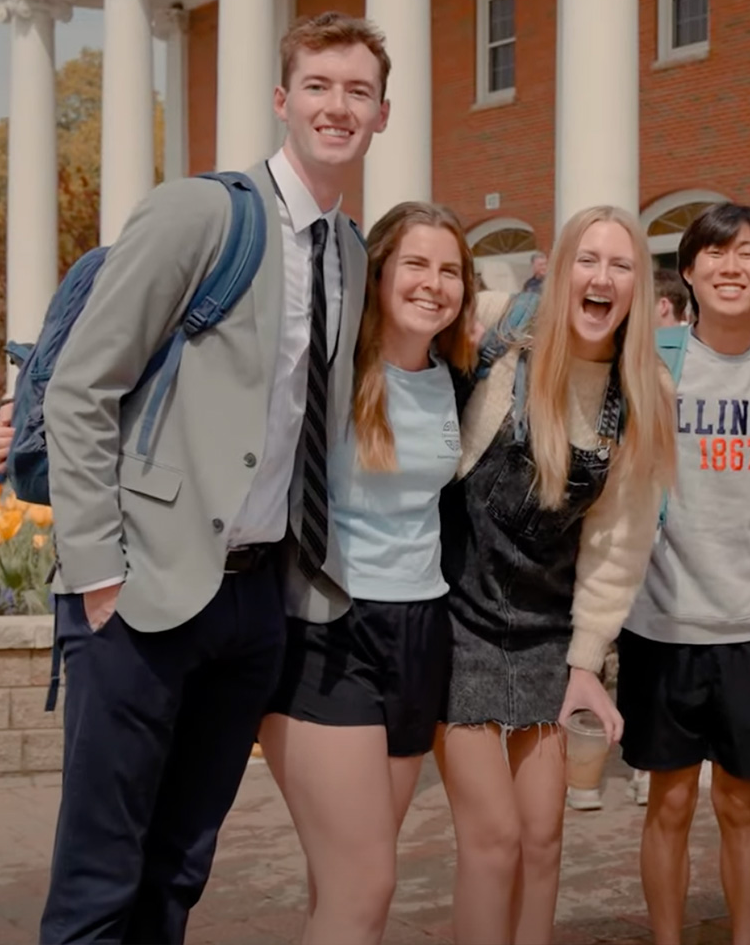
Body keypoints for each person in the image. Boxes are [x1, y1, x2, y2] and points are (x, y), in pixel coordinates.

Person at [33, 12, 389, 944]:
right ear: (282, 100)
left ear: (382, 114)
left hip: (253, 605)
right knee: (98, 880)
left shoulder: (350, 253)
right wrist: (99, 572)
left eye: (358, 91)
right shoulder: (203, 214)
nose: (336, 106)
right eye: (318, 86)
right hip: (144, 591)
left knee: (179, 872)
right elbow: (81, 387)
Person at [438, 205, 677, 944]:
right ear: (561, 269)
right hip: (460, 621)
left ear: (638, 286)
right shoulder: (504, 350)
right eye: (588, 260)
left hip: (547, 634)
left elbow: (617, 549)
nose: (602, 277)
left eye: (621, 264)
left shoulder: (644, 395)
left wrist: (585, 664)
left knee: (543, 842)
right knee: (495, 841)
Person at [259, 201, 476, 945]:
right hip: (327, 629)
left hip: (420, 632)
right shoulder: (329, 370)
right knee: (366, 879)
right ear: (377, 273)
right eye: (416, 264)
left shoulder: (458, 378)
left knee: (348, 884)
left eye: (450, 270)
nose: (433, 283)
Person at [619, 202, 750, 945]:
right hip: (662, 619)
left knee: (740, 803)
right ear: (688, 270)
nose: (733, 267)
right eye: (716, 254)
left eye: (749, 254)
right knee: (668, 803)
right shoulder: (653, 358)